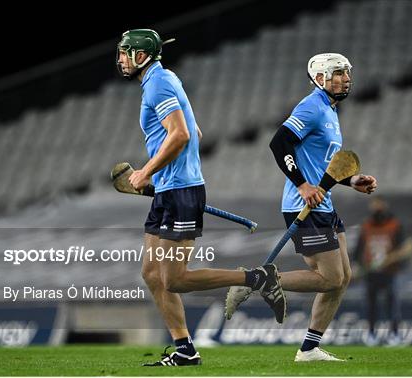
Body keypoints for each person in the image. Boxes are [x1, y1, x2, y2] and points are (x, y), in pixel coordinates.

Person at [116, 29, 286, 366]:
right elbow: (193, 131)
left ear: (141, 55)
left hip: (180, 190)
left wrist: (147, 170)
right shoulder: (163, 79)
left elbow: (180, 134)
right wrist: (163, 173)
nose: (120, 58)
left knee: (175, 279)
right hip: (170, 190)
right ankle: (185, 350)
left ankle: (257, 278)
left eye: (125, 52)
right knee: (152, 274)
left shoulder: (158, 83)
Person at [226, 53, 377, 362]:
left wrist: (352, 181)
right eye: (338, 73)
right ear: (320, 78)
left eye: (347, 72)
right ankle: (260, 279)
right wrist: (302, 185)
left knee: (343, 277)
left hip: (324, 203)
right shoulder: (312, 106)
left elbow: (323, 165)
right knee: (330, 277)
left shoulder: (331, 111)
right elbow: (278, 143)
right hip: (303, 204)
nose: (347, 78)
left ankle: (309, 349)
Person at [353, 196, 412, 346]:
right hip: (370, 272)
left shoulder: (394, 225)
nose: (377, 208)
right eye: (374, 205)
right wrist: (357, 265)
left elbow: (406, 246)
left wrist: (391, 258)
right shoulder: (366, 225)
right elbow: (359, 249)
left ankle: (394, 334)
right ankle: (371, 334)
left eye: (379, 205)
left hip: (389, 271)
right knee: (371, 305)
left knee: (391, 305)